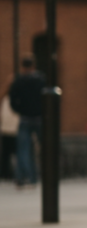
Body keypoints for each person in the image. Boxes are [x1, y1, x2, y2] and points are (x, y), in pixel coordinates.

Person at [9, 56, 45, 189]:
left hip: (25, 118)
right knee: (45, 148)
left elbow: (12, 100)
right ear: (34, 66)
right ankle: (36, 177)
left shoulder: (18, 81)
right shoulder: (41, 80)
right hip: (40, 118)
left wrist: (20, 110)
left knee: (23, 149)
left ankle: (24, 177)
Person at [1, 80, 19, 183]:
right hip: (15, 129)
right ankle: (17, 174)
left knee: (5, 154)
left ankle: (5, 174)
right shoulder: (18, 99)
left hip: (5, 129)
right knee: (18, 153)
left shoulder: (5, 99)